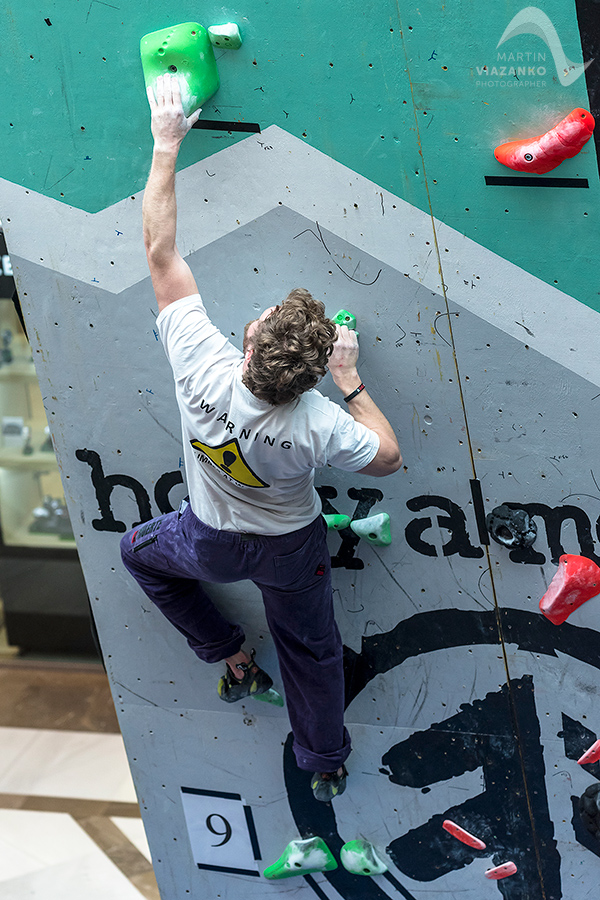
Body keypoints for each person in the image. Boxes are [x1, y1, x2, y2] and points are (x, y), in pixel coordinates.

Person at [120, 73, 402, 802]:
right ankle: (325, 762)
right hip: (289, 550)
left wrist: (164, 145)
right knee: (311, 650)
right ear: (305, 377)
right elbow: (390, 457)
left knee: (138, 555)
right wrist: (350, 379)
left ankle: (229, 656)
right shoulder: (316, 419)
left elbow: (158, 250)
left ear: (249, 347)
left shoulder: (202, 364)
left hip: (209, 537)